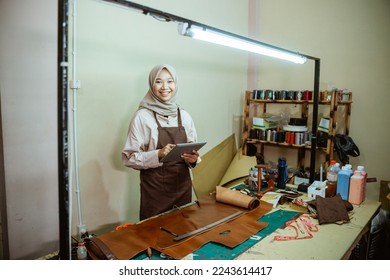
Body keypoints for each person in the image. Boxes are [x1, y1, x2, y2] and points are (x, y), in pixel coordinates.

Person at [122, 64, 200, 220]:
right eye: (159, 81)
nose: (165, 87)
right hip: (155, 191)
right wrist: (158, 154)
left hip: (182, 188)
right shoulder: (142, 116)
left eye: (170, 81)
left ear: (175, 84)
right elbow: (128, 158)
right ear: (151, 84)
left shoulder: (184, 115)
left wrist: (194, 160)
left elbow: (193, 150)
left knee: (182, 232)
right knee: (153, 236)